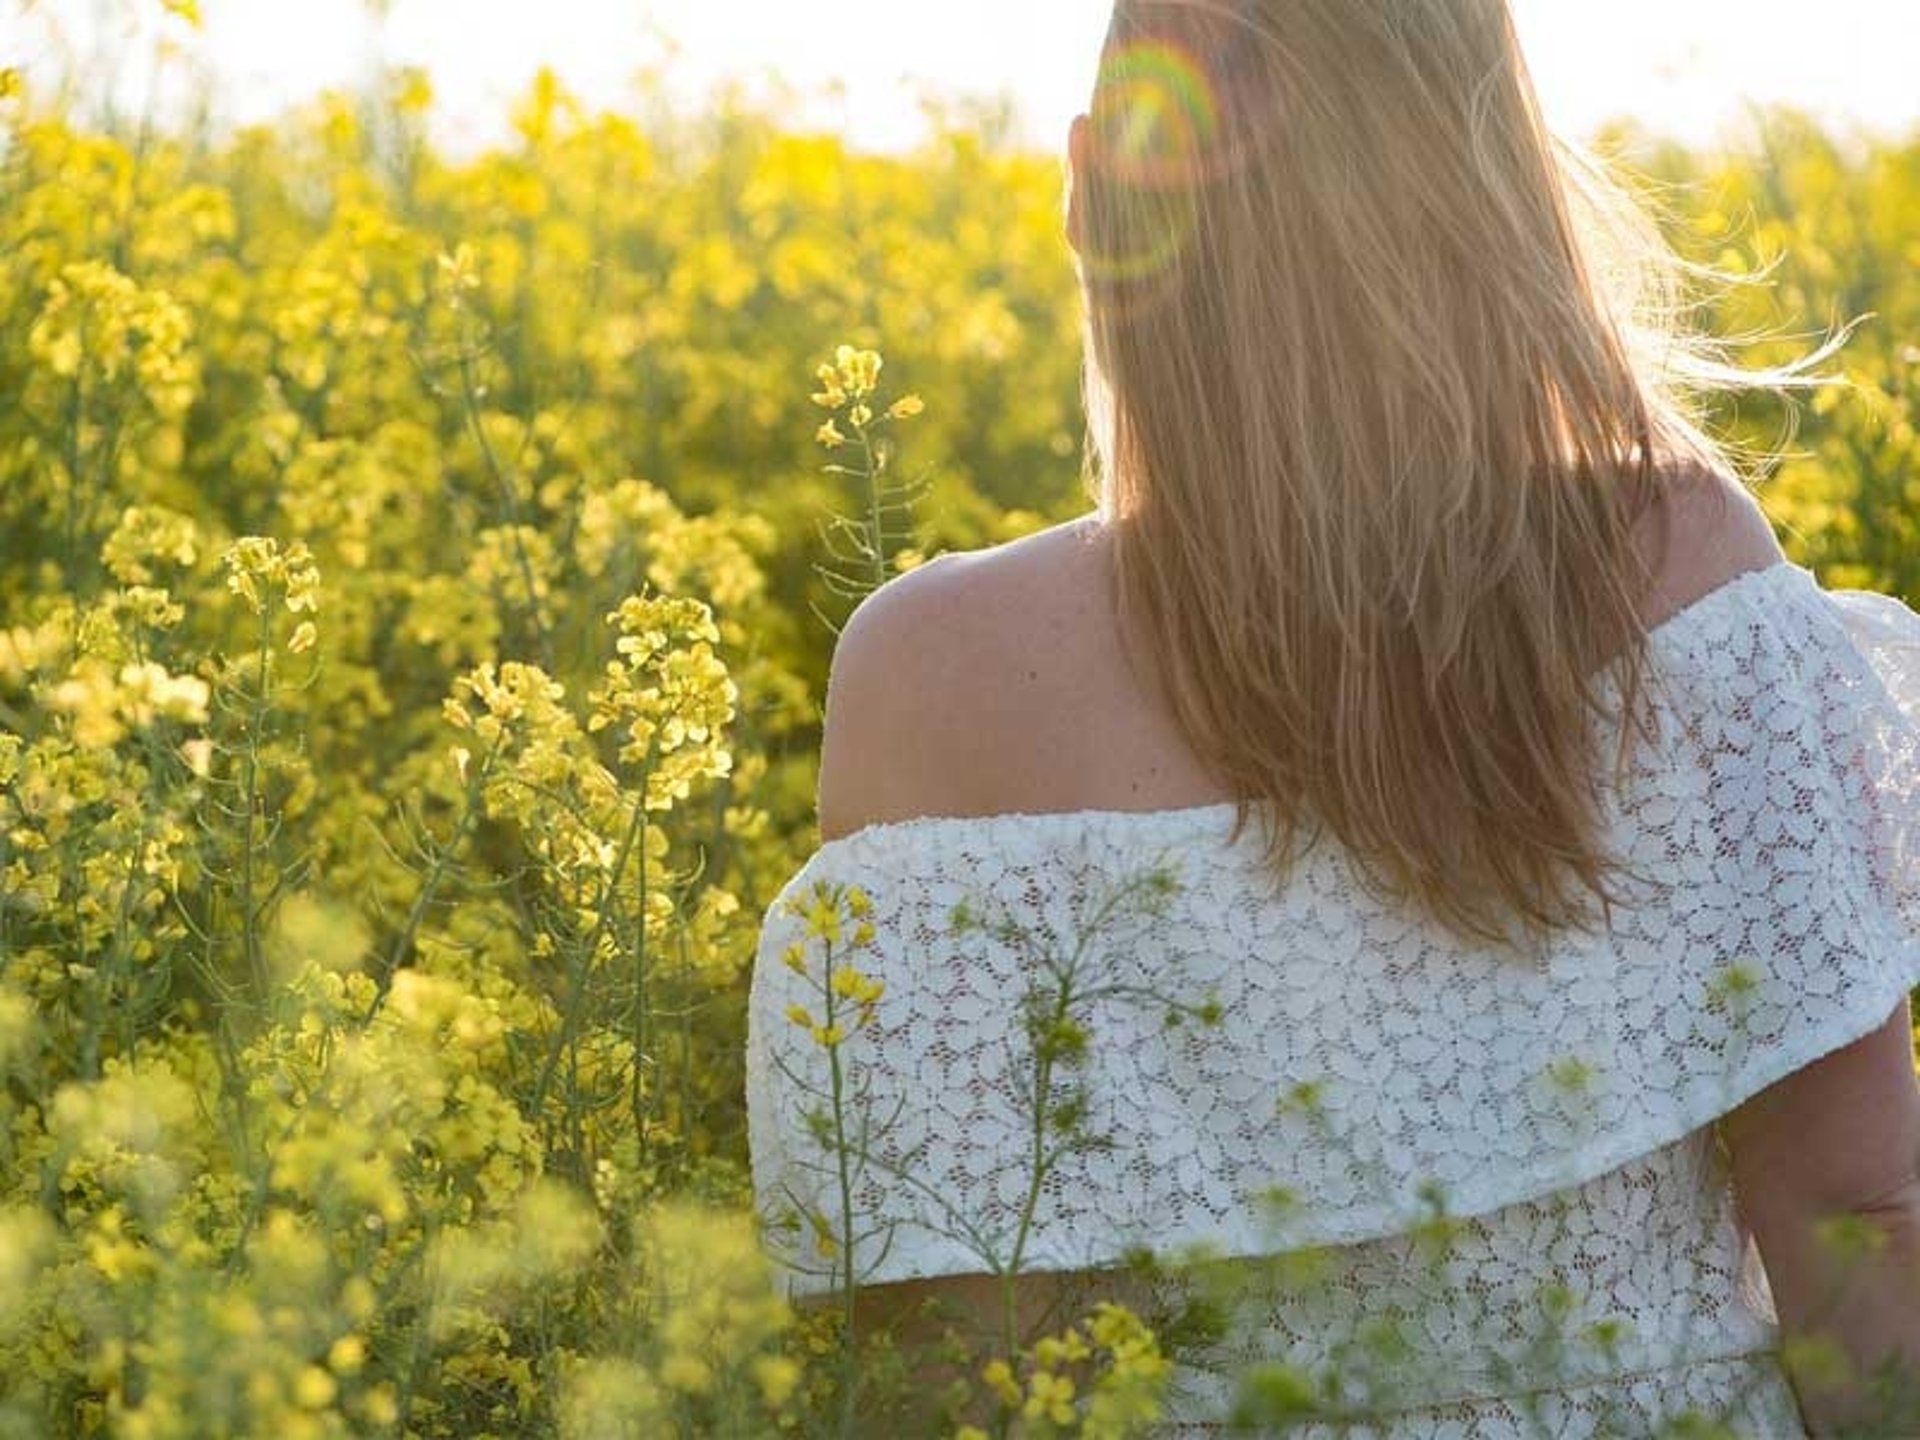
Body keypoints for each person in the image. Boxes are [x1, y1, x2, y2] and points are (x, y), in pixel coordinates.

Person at [747, 0, 1920, 1432]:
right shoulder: (1680, 567)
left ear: (1090, 192)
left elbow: (972, 1380)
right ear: (1492, 178)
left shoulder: (939, 677)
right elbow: (1860, 1221)